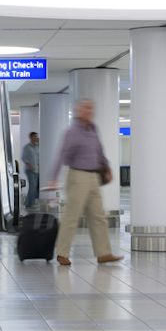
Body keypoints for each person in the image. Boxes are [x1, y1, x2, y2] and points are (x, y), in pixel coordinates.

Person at [47, 100, 123, 267]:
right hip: (78, 176)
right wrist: (54, 177)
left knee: (98, 216)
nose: (89, 111)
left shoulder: (93, 129)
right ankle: (62, 253)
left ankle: (103, 253)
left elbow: (99, 151)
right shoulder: (72, 132)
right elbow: (62, 155)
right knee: (72, 216)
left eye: (91, 108)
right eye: (85, 108)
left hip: (94, 176)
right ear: (78, 111)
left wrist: (107, 167)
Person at [21, 131, 41, 209]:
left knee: (35, 187)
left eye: (37, 136)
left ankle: (28, 202)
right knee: (32, 186)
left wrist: (40, 143)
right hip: (29, 170)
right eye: (35, 136)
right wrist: (30, 165)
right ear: (31, 137)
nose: (36, 138)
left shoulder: (38, 147)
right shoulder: (27, 147)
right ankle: (31, 204)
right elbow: (23, 158)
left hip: (37, 170)